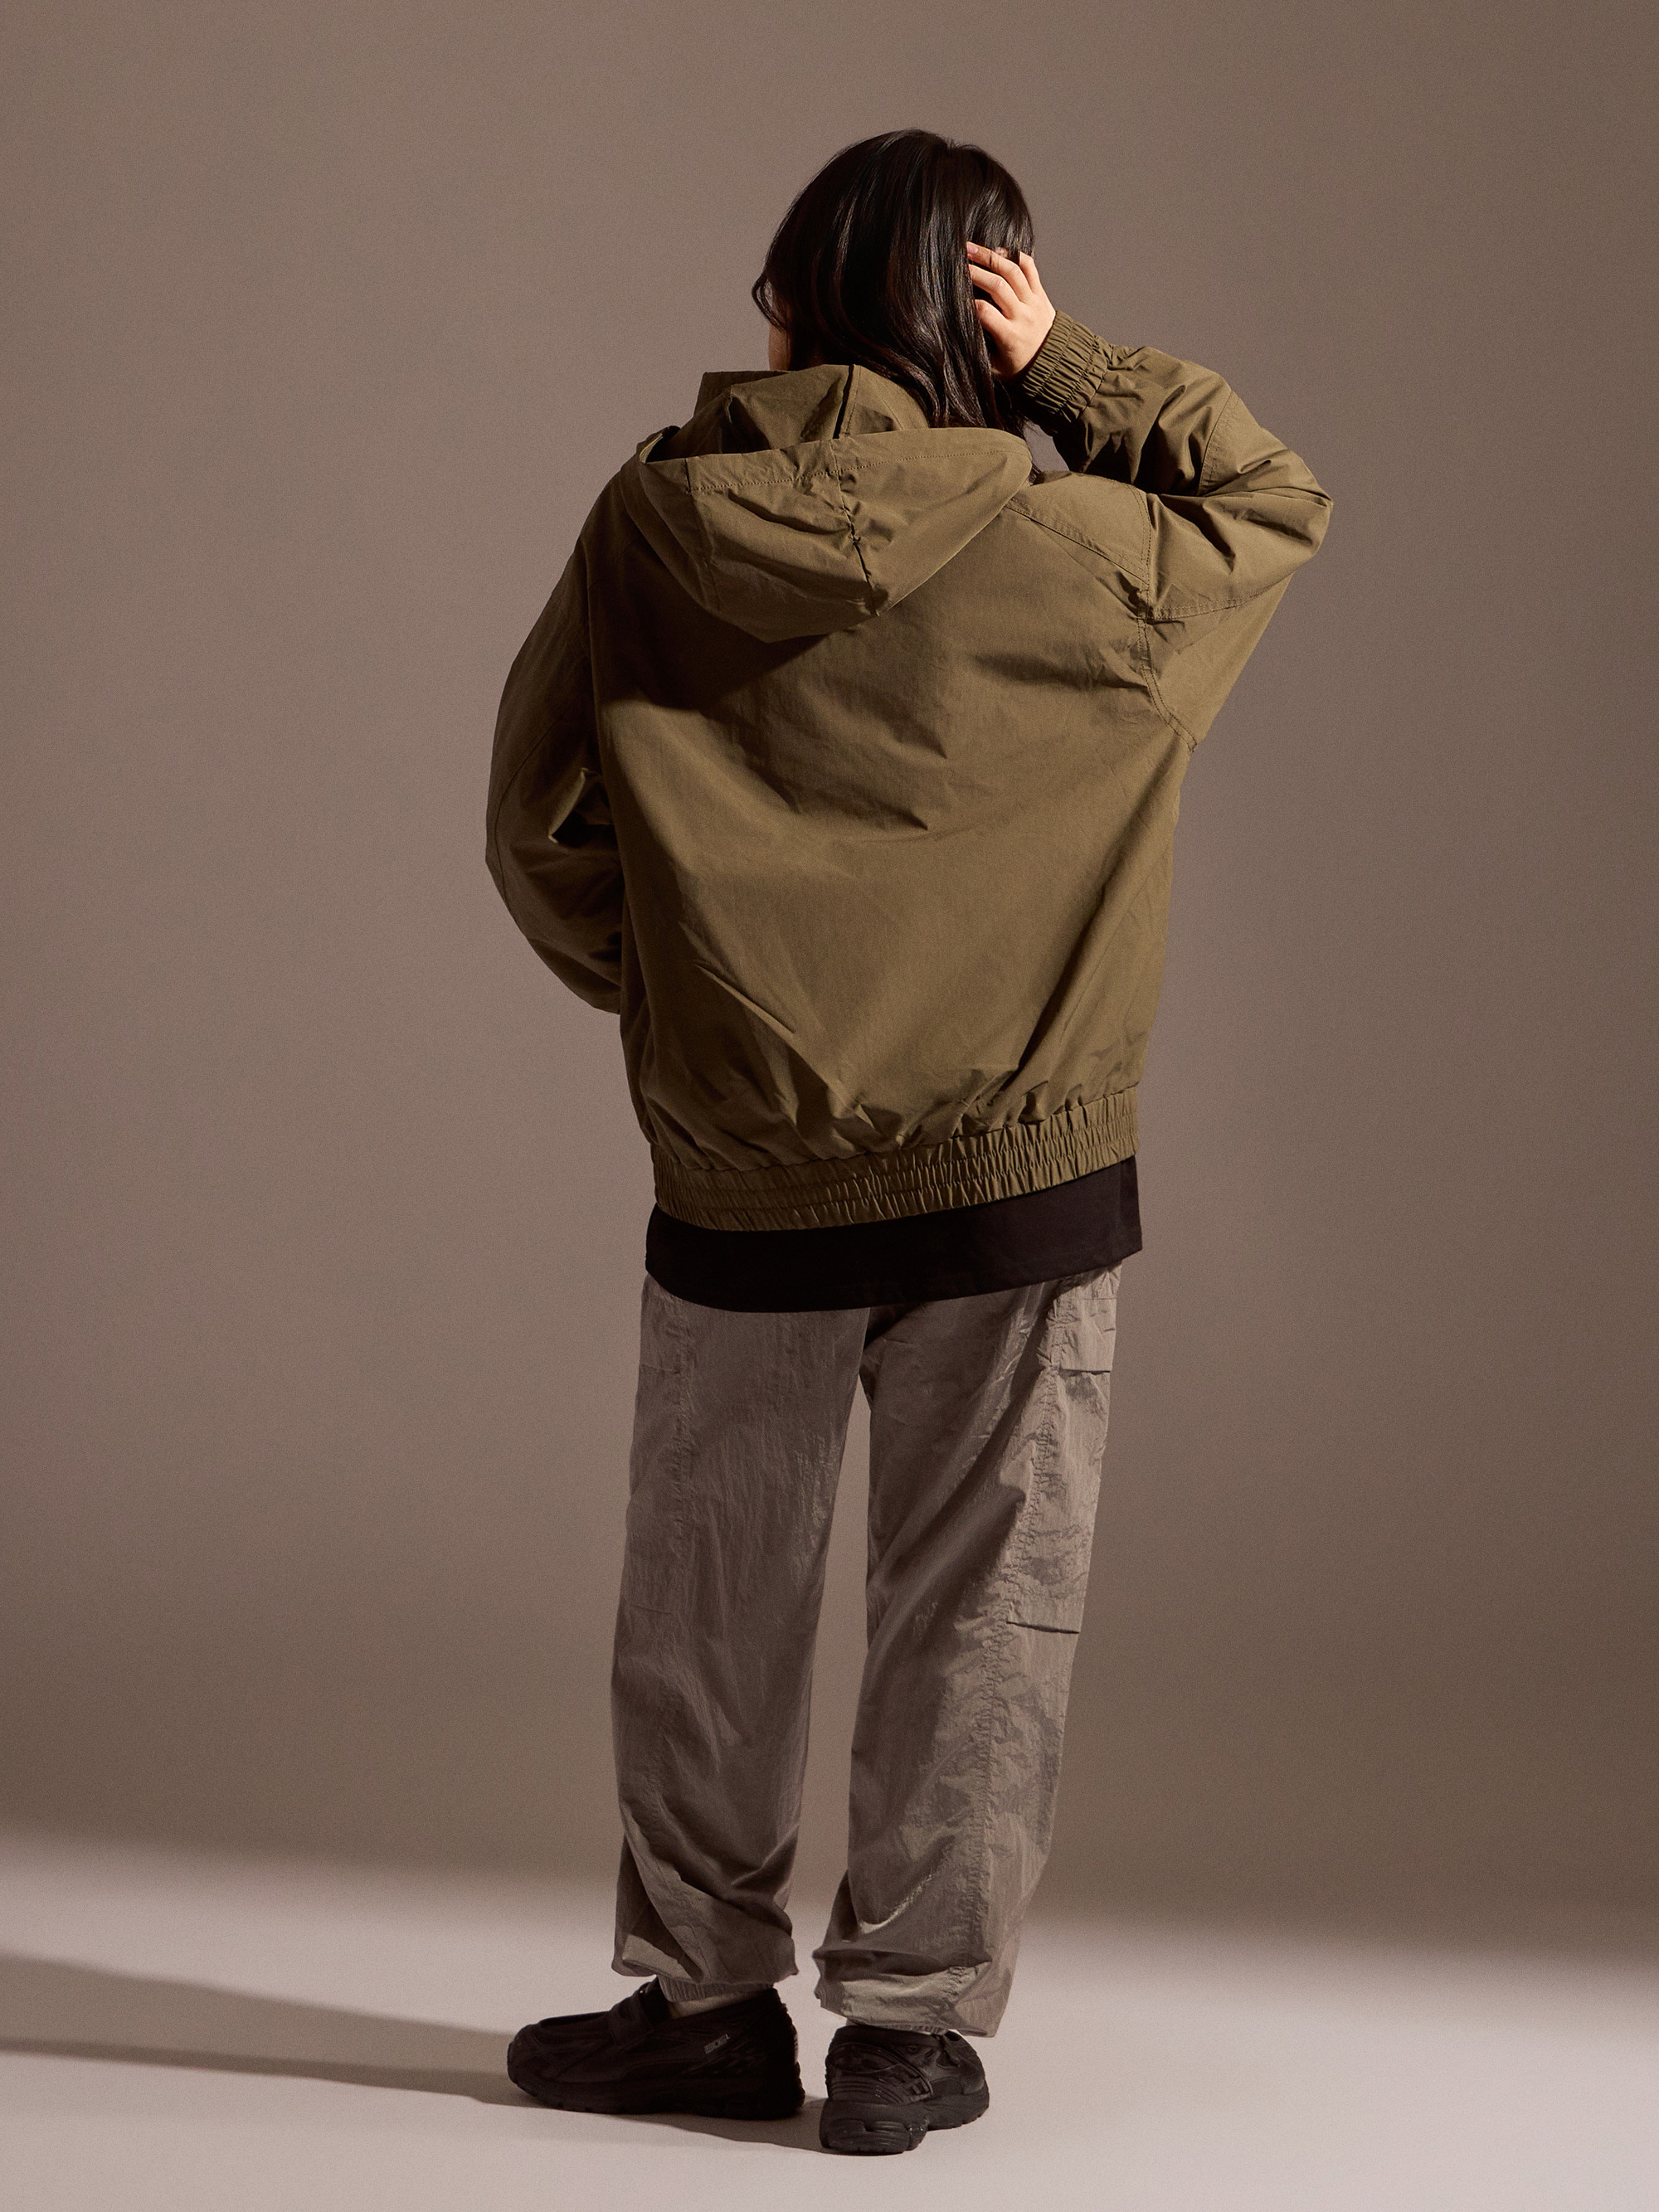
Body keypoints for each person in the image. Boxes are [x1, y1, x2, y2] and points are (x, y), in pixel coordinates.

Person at [484, 128, 1331, 2156]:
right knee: (980, 1604)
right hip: (1017, 1183)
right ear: (981, 312)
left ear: (783, 310)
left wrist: (686, 995)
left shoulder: (651, 522)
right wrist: (1073, 370)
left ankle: (703, 2005)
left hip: (742, 1161)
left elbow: (537, 825)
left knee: (710, 1604)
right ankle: (907, 2033)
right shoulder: (1090, 554)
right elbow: (1270, 499)